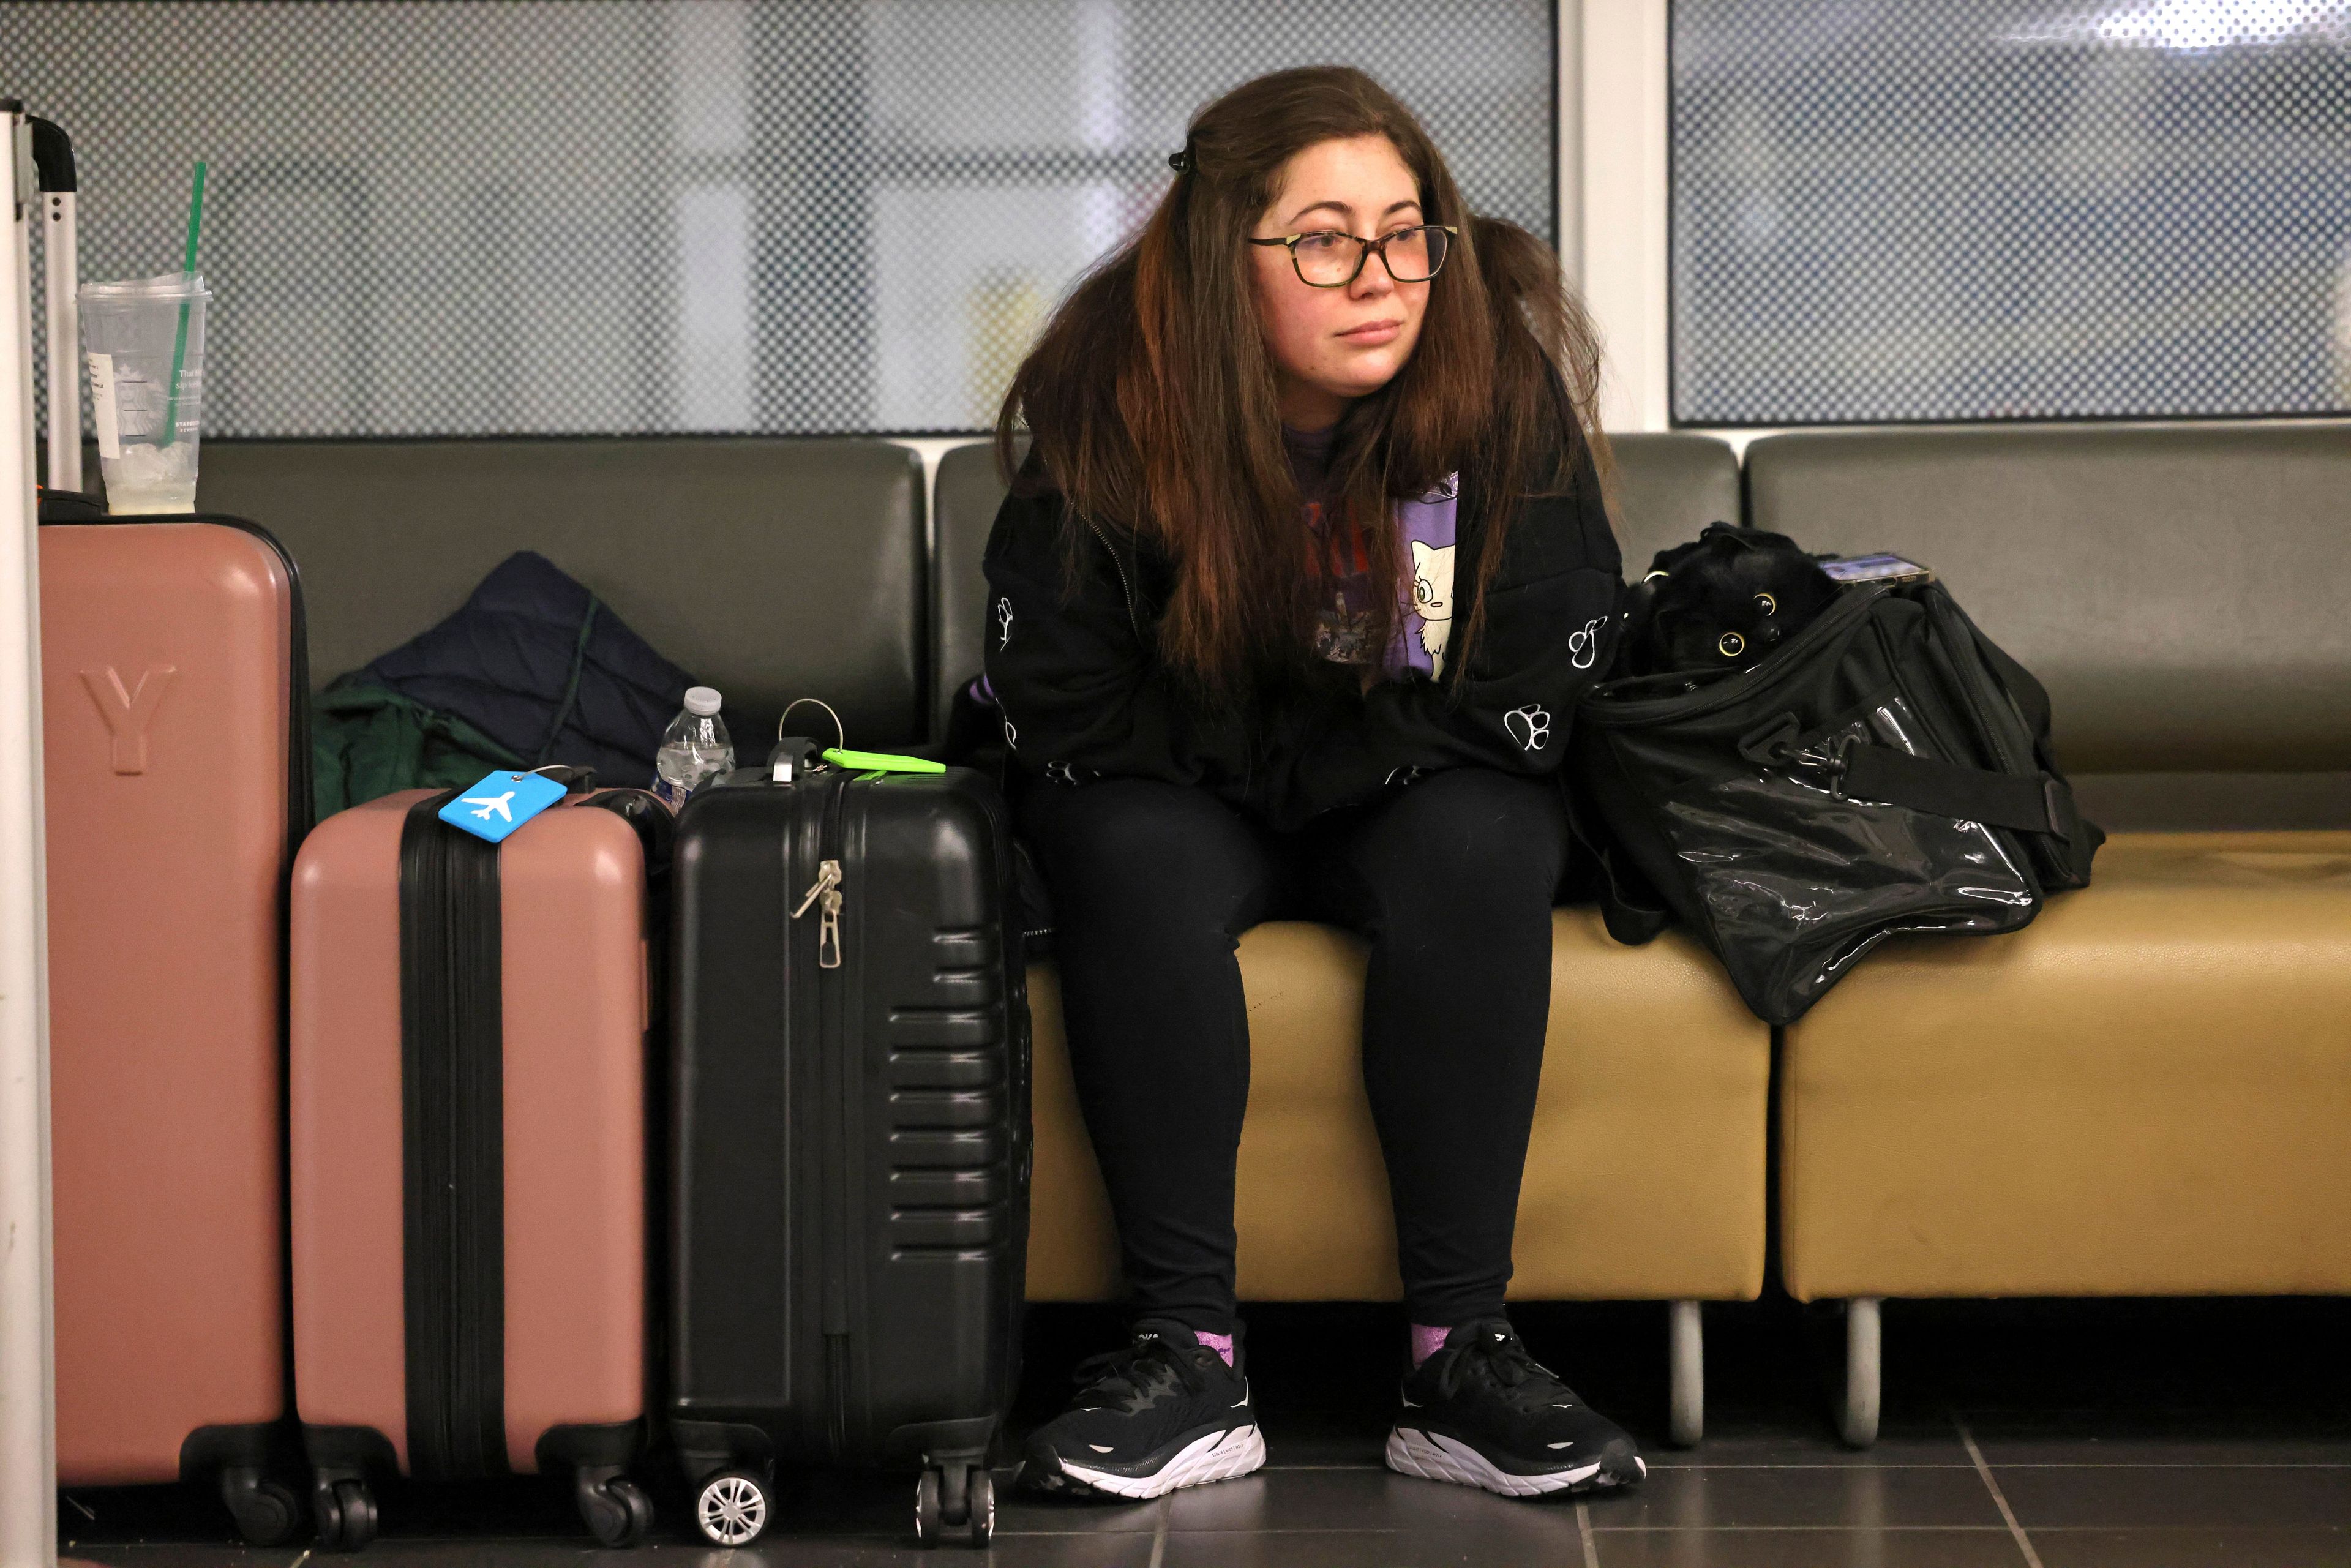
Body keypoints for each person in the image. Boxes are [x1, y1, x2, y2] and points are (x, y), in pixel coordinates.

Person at [982, 64, 1638, 1503]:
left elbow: (1534, 676)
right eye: (1328, 239)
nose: (1384, 279)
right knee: (1124, 849)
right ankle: (1189, 1358)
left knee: (1484, 840)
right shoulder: (1113, 390)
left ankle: (1459, 1359)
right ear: (1232, 255)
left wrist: (1337, 758)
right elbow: (1068, 700)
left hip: (1409, 786)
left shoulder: (1490, 379)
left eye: (1408, 233)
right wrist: (1275, 763)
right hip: (1183, 792)